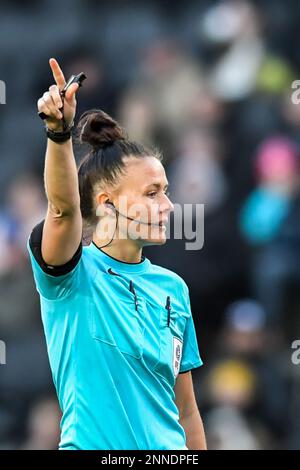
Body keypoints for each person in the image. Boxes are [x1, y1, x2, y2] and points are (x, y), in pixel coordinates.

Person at [27, 58, 206, 450]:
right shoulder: (70, 277)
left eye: (166, 190)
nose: (169, 206)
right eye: (152, 193)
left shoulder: (173, 288)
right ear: (107, 204)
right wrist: (58, 134)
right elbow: (63, 209)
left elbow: (187, 412)